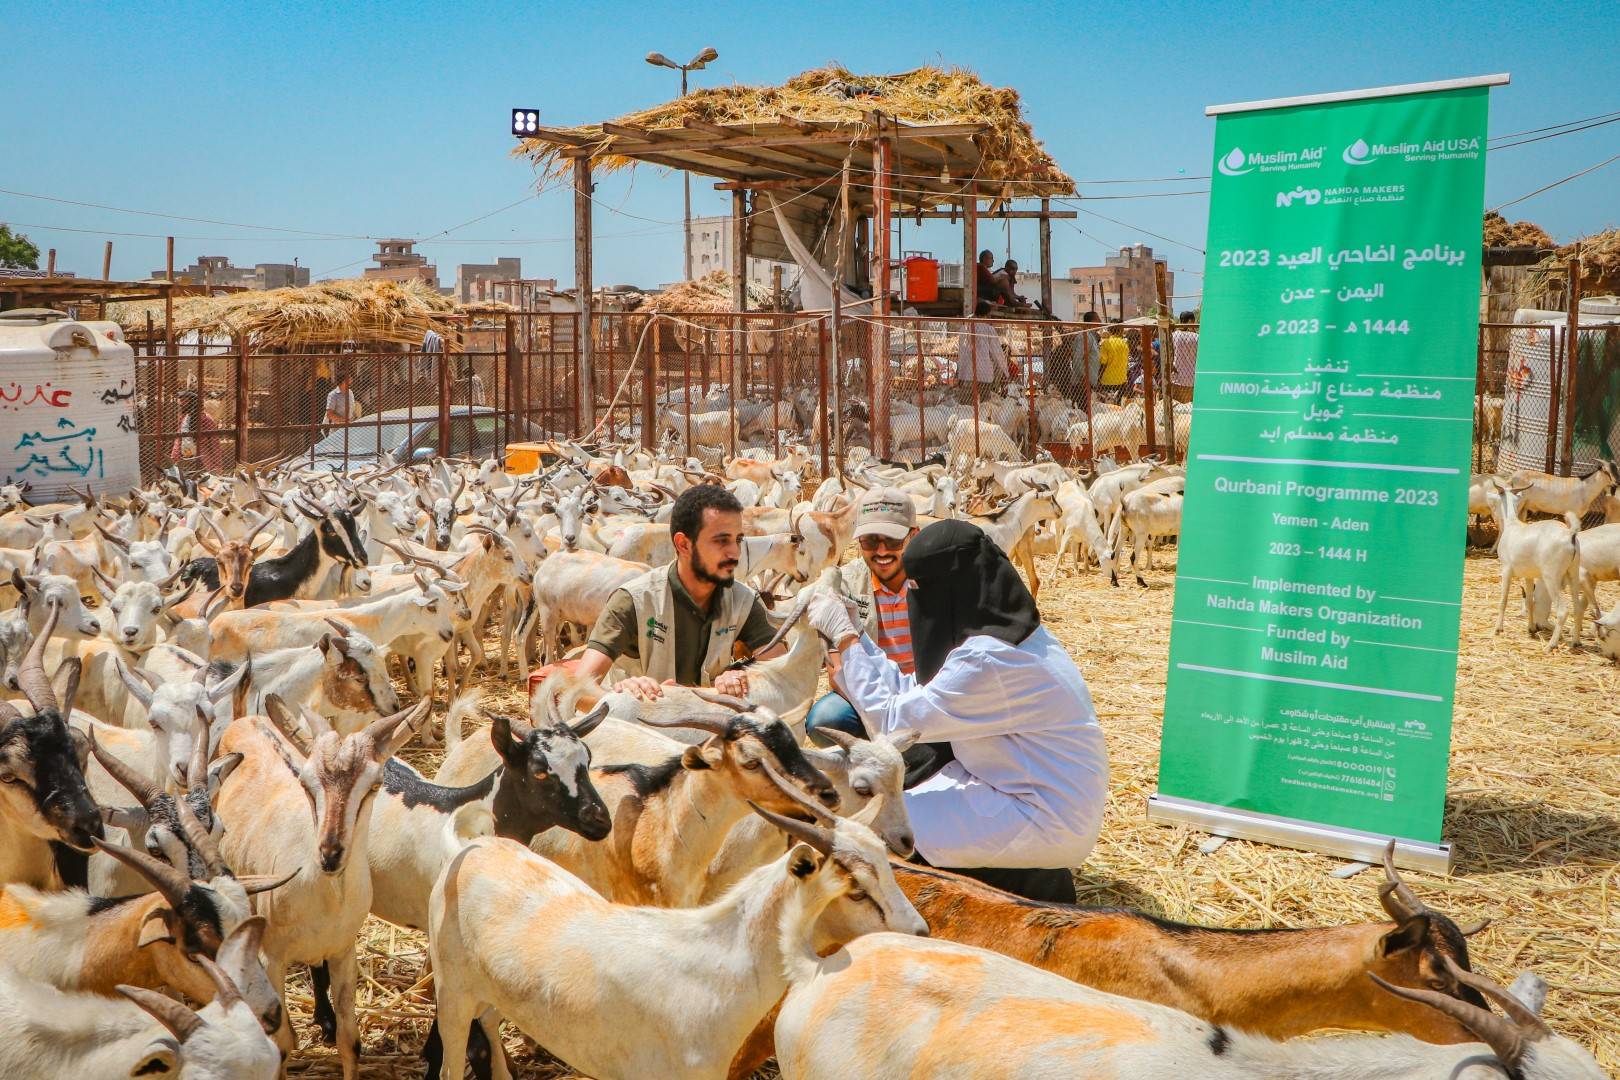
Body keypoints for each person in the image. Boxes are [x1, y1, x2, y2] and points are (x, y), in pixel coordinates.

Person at [807, 520, 1109, 902]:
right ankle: (1028, 877)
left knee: (877, 825)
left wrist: (845, 637)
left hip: (1043, 818)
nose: (915, 599)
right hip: (1026, 792)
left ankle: (1024, 882)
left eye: (919, 588)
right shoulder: (1011, 640)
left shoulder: (990, 660)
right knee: (901, 792)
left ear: (949, 589)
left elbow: (891, 720)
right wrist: (859, 635)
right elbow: (913, 694)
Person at [578, 484, 787, 699]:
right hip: (642, 718)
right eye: (721, 541)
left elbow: (784, 679)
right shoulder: (634, 601)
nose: (735, 553)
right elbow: (577, 692)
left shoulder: (743, 601)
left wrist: (745, 677)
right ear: (684, 544)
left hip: (711, 719)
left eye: (738, 540)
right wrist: (623, 696)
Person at [804, 488, 919, 746]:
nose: (882, 551)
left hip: (923, 691)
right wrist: (883, 713)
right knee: (826, 719)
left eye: (893, 541)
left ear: (913, 536)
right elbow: (837, 673)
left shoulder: (934, 579)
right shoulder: (843, 584)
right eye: (870, 541)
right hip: (866, 693)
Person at [955, 300, 1010, 401]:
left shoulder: (965, 328)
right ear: (987, 314)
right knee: (984, 403)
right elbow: (997, 352)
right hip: (984, 372)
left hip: (967, 372)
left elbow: (962, 351)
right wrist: (1006, 372)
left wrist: (960, 372)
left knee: (967, 404)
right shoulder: (989, 329)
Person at [170, 390, 223, 472]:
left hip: (201, 461)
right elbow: (179, 439)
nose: (181, 404)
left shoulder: (207, 420)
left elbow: (214, 443)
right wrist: (174, 456)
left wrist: (217, 465)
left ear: (193, 403)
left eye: (184, 401)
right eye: (181, 401)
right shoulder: (183, 418)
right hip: (184, 459)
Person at [1171, 310, 1199, 404]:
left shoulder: (1174, 335)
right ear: (1191, 321)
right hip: (1193, 378)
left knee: (1177, 406)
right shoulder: (1197, 337)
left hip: (1177, 378)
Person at [1098, 323, 1129, 402]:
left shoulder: (1106, 343)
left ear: (1109, 330)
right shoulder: (1125, 343)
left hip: (1107, 380)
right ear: (1121, 330)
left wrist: (1098, 378)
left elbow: (1103, 362)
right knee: (1118, 405)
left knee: (1106, 406)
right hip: (1121, 379)